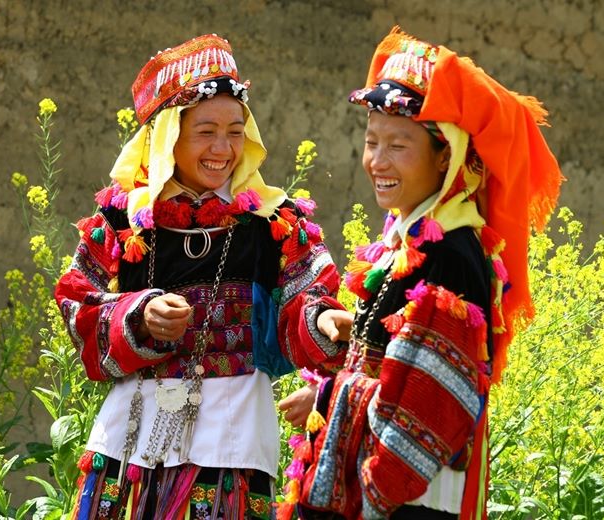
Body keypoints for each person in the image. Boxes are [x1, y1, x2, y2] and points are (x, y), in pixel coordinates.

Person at [55, 34, 345, 519]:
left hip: (232, 444)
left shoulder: (274, 223)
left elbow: (308, 297)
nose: (223, 148)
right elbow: (75, 306)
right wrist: (138, 316)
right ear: (169, 135)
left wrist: (324, 323)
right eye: (205, 131)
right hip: (131, 446)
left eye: (235, 131)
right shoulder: (123, 221)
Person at [277, 27, 562, 519]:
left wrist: (330, 394)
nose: (377, 162)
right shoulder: (410, 244)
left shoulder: (451, 254)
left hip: (407, 502)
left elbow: (421, 414)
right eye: (371, 142)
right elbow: (395, 366)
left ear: (445, 157)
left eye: (399, 146)